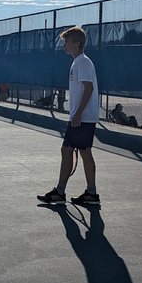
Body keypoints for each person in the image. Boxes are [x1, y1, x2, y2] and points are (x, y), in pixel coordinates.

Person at [37, 25, 100, 206]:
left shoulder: (83, 62)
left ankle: (82, 193)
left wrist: (79, 114)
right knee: (74, 151)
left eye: (67, 41)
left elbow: (89, 88)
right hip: (79, 117)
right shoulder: (76, 62)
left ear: (77, 43)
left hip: (83, 117)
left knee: (79, 151)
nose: (64, 44)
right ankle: (80, 192)